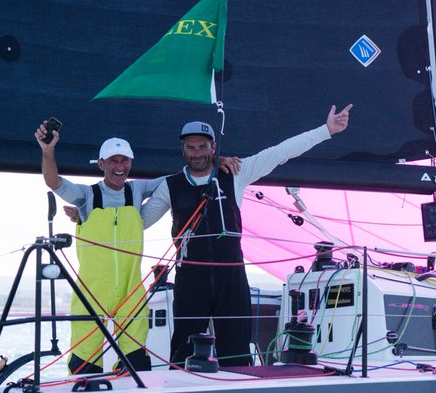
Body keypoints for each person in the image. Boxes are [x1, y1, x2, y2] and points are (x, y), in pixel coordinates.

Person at [142, 105, 352, 367]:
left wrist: (326, 130)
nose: (196, 153)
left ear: (213, 148)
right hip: (190, 276)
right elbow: (138, 223)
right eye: (191, 147)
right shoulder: (169, 186)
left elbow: (280, 153)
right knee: (184, 345)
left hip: (230, 275)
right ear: (183, 150)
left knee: (236, 348)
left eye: (202, 146)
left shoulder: (236, 173)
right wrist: (90, 216)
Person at [37, 121, 162, 374]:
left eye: (124, 161)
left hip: (131, 291)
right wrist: (48, 152)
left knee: (137, 363)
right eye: (113, 161)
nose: (120, 167)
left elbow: (176, 180)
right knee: (84, 364)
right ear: (101, 164)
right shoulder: (87, 195)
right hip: (91, 292)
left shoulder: (138, 189)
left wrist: (216, 162)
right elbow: (54, 182)